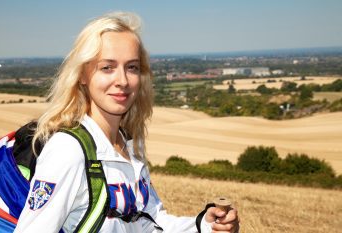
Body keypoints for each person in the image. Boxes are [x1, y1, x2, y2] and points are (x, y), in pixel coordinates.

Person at [14, 12, 239, 233]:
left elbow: (150, 223)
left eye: (132, 67)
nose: (122, 81)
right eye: (107, 68)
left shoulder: (127, 145)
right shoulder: (69, 150)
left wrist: (206, 226)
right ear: (82, 75)